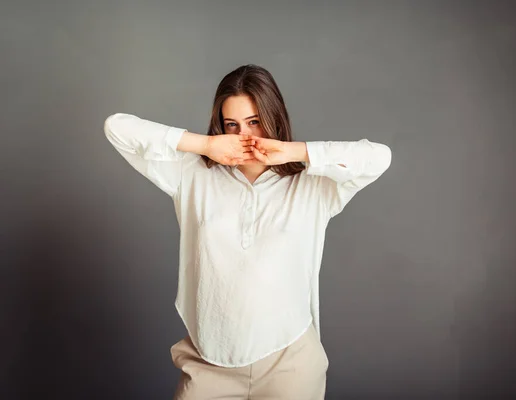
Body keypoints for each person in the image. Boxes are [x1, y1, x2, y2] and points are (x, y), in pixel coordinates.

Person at [104, 64, 392, 399]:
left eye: (254, 121)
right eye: (232, 125)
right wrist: (205, 146)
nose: (245, 135)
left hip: (290, 364)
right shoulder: (192, 174)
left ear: (274, 117)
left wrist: (293, 151)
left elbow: (379, 157)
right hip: (209, 363)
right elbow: (117, 127)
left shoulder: (313, 184)